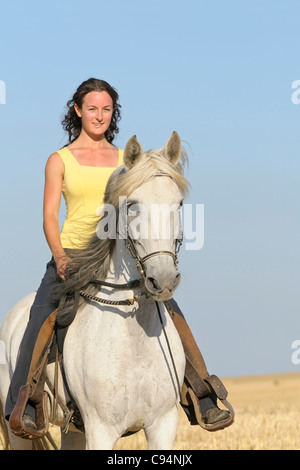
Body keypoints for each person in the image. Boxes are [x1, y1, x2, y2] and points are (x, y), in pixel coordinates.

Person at [6, 78, 233, 438]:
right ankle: (25, 401)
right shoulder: (59, 160)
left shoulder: (127, 160)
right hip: (73, 256)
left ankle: (201, 392)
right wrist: (60, 256)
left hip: (119, 255)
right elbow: (50, 216)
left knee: (171, 311)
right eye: (92, 108)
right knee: (41, 313)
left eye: (106, 109)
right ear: (77, 110)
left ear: (114, 113)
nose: (99, 116)